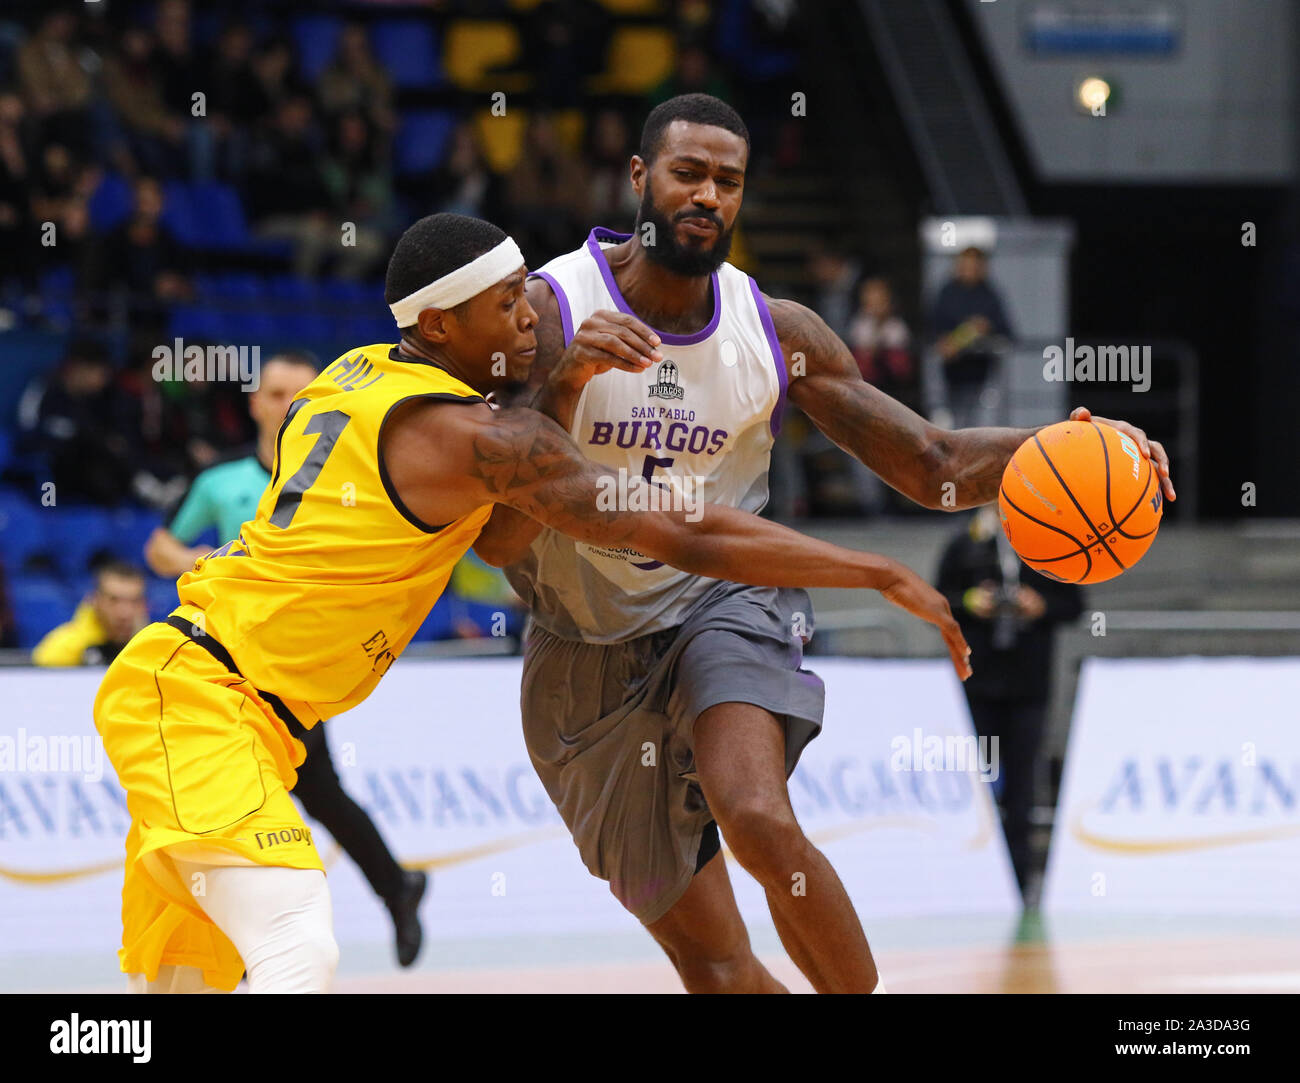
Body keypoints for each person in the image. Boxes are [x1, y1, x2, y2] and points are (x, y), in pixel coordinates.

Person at [93, 211, 974, 995]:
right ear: (442, 324)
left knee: (181, 979)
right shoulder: (468, 435)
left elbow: (501, 523)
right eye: (510, 302)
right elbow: (679, 531)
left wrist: (559, 388)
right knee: (296, 940)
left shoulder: (355, 373)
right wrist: (873, 569)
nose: (532, 316)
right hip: (204, 699)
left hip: (219, 699)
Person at [474, 93, 1175, 994]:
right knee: (718, 967)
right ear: (640, 178)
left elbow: (932, 464)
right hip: (578, 647)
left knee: (759, 815)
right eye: (689, 174)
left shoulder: (775, 332)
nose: (709, 196)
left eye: (729, 182)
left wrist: (1078, 446)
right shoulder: (550, 310)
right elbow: (497, 539)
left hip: (722, 599)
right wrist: (565, 383)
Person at [144, 352, 428, 968]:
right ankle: (380, 894)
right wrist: (215, 560)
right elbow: (160, 546)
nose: (286, 405)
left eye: (299, 394)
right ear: (254, 403)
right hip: (228, 658)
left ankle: (268, 940)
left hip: (296, 662)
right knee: (302, 792)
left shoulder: (347, 477)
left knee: (306, 792)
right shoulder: (221, 482)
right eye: (274, 394)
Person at [936, 506, 1083, 900]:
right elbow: (936, 598)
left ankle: (1018, 882)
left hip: (1028, 685)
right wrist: (970, 601)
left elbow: (1074, 603)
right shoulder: (966, 542)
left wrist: (1041, 606)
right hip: (979, 683)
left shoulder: (1052, 543)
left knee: (1022, 786)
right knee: (976, 784)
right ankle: (973, 879)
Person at [929, 246, 1014, 428]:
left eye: (975, 265)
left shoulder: (990, 294)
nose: (970, 269)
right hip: (949, 373)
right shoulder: (947, 292)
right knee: (948, 422)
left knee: (980, 425)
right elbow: (932, 327)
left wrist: (985, 327)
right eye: (965, 264)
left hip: (981, 375)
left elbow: (1008, 332)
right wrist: (945, 341)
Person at [33, 560, 148, 667]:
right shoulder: (63, 648)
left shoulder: (155, 648)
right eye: (114, 600)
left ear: (143, 605)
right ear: (95, 601)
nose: (124, 612)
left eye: (134, 601)